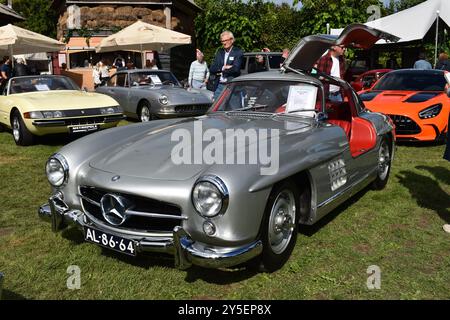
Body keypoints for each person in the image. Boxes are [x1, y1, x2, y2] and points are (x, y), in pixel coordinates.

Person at [209, 30, 244, 100]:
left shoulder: (238, 52)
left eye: (225, 40)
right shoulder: (219, 52)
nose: (224, 43)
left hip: (232, 86)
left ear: (232, 40)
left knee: (234, 108)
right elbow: (212, 68)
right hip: (219, 86)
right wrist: (223, 68)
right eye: (222, 41)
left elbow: (236, 69)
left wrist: (223, 71)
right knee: (217, 109)